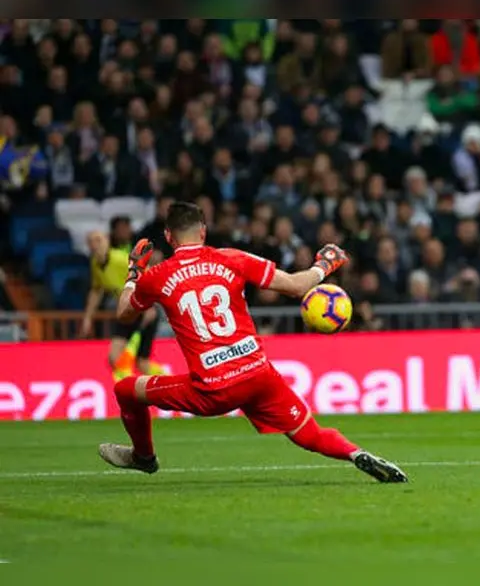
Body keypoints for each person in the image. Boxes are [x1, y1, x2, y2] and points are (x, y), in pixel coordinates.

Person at [99, 202, 407, 484]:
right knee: (307, 432)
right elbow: (296, 285)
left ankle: (144, 457)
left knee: (126, 390)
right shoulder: (233, 258)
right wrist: (325, 265)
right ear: (204, 231)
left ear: (168, 236)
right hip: (257, 374)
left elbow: (125, 314)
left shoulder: (158, 275)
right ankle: (354, 453)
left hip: (212, 388)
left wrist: (134, 273)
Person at [81, 230, 165, 381]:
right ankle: (134, 389)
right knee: (119, 359)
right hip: (127, 312)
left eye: (98, 240)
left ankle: (164, 383)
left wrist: (150, 306)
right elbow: (96, 290)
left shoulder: (121, 260)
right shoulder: (95, 263)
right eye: (91, 241)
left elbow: (147, 275)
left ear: (107, 241)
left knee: (136, 361)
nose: (95, 245)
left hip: (144, 309)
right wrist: (87, 318)